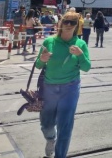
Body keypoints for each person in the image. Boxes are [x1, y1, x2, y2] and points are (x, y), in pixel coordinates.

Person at [35, 11, 91, 158]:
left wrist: (80, 55)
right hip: (49, 88)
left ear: (76, 26)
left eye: (72, 22)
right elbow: (38, 65)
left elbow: (86, 67)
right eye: (65, 21)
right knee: (46, 124)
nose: (68, 25)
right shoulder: (49, 42)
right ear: (60, 23)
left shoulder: (80, 44)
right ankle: (50, 139)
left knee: (65, 127)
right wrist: (42, 58)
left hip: (70, 89)